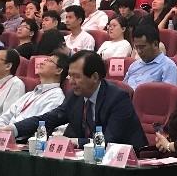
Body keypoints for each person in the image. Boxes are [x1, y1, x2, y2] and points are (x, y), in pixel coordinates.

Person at [13, 50, 144, 148]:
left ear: (94, 77)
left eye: (76, 76)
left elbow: (110, 140)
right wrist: (14, 129)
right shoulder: (75, 96)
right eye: (70, 76)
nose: (71, 82)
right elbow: (49, 118)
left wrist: (74, 142)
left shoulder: (117, 98)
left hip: (129, 163)